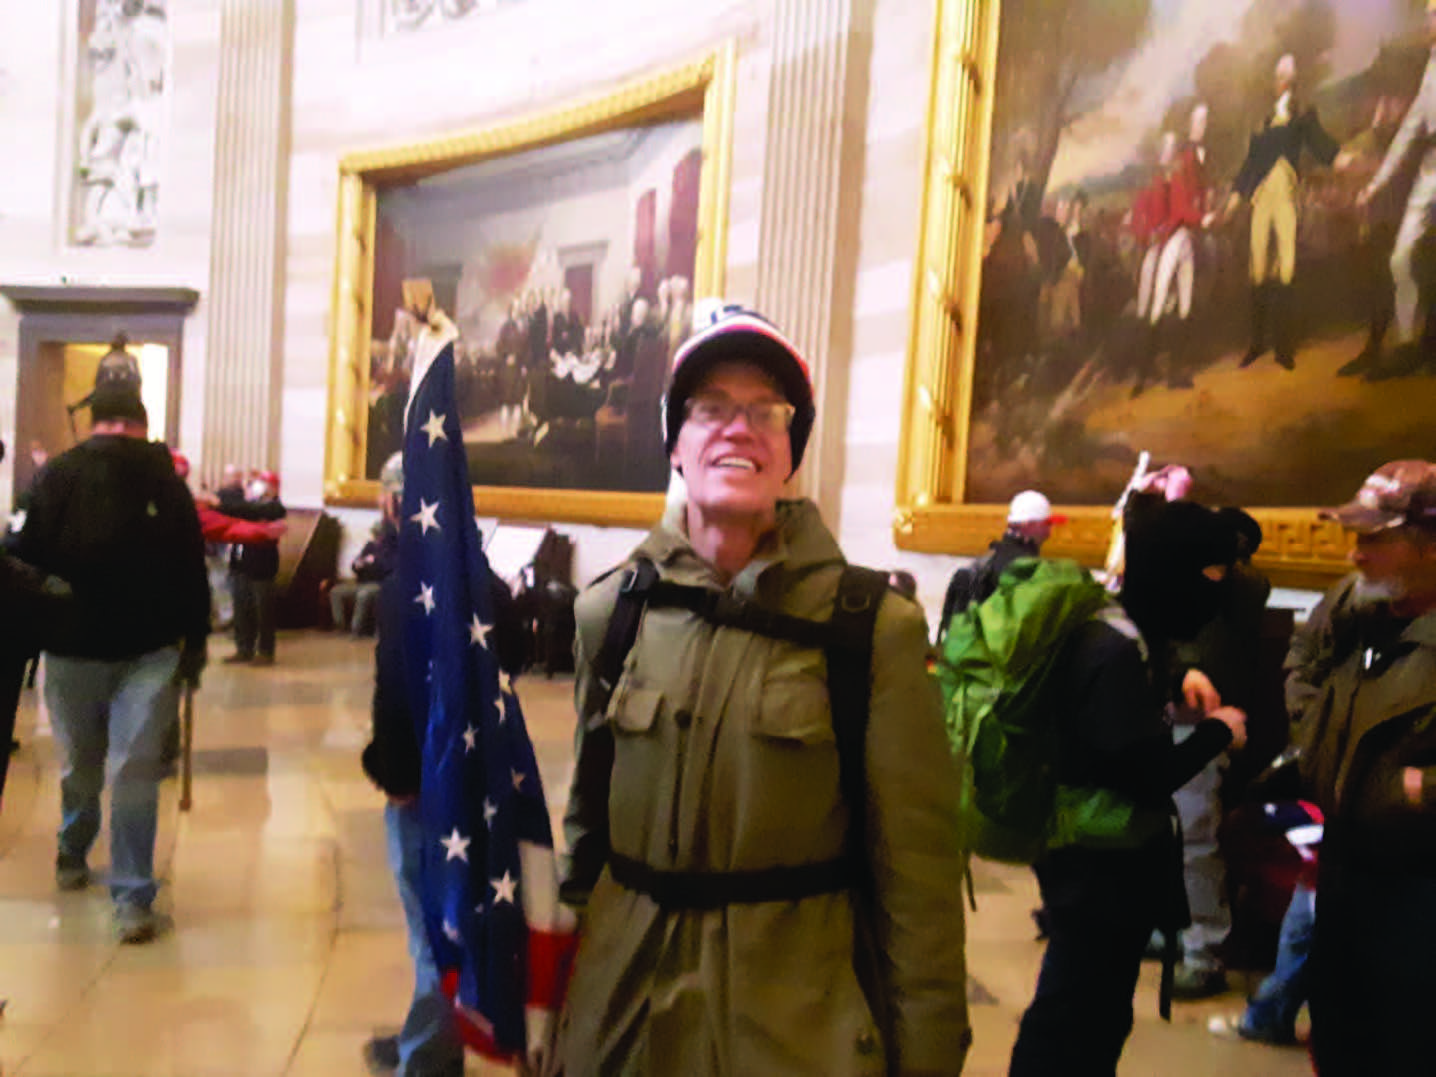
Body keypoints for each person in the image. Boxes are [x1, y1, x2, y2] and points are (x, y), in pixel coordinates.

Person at [556, 304, 971, 1076]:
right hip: (623, 1023)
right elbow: (586, 840)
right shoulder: (613, 612)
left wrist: (929, 1058)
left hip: (791, 1033)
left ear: (790, 452)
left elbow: (918, 888)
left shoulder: (871, 630)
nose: (736, 428)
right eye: (710, 409)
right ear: (677, 446)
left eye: (765, 413)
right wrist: (558, 1011)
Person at [1007, 494, 1248, 1076]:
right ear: (1173, 571)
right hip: (1096, 864)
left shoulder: (1119, 631)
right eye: (1209, 574)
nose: (1216, 589)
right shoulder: (1114, 649)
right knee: (1073, 1015)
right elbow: (1141, 772)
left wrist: (1176, 681)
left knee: (1091, 1011)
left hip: (1091, 855)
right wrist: (1219, 732)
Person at [15, 383, 209, 944]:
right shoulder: (157, 483)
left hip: (95, 649)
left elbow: (22, 557)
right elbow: (191, 570)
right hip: (135, 648)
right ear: (139, 424)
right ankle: (87, 858)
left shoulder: (61, 475)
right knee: (122, 769)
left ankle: (127, 887)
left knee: (101, 766)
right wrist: (193, 642)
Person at [1287, 460, 1436, 1074]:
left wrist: (1420, 792)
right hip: (1347, 868)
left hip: (1420, 886)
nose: (1356, 554)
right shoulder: (1357, 608)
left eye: (1376, 539)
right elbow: (1303, 658)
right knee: (1341, 1037)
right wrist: (1314, 732)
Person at [1164, 507, 1271, 1000]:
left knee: (1193, 841)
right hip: (1170, 718)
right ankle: (1171, 930)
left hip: (1205, 723)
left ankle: (1203, 950)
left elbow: (1204, 648)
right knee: (1169, 837)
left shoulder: (1241, 588)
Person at [1228, 53, 1339, 371]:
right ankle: (1256, 344)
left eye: (1286, 79)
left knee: (1287, 267)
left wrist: (1340, 157)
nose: (1281, 84)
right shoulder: (1262, 122)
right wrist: (1237, 194)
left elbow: (1320, 144)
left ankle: (1284, 348)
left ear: (1293, 83)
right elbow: (1251, 163)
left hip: (1286, 196)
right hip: (1262, 198)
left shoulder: (1302, 115)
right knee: (1258, 266)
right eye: (1278, 79)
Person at [1355, 1, 1436, 378]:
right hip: (1430, 170)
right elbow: (1408, 133)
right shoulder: (1430, 70)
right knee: (1400, 258)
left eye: (1433, 15)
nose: (1428, 22)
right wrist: (1374, 184)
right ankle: (1407, 346)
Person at [937, 488, 1065, 643]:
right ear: (1029, 525)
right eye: (1046, 524)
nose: (1049, 532)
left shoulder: (989, 559)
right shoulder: (1027, 569)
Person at [219, 469, 286, 665]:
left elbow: (250, 513)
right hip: (240, 564)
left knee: (262, 611)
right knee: (241, 608)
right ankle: (243, 648)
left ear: (273, 488)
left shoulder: (274, 508)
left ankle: (265, 651)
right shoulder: (249, 505)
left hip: (261, 567)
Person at [330, 462, 400, 637]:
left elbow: (389, 567)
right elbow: (356, 565)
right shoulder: (370, 546)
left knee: (364, 595)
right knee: (336, 592)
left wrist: (373, 564)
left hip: (379, 584)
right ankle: (340, 626)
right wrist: (360, 564)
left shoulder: (392, 546)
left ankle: (356, 630)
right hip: (364, 581)